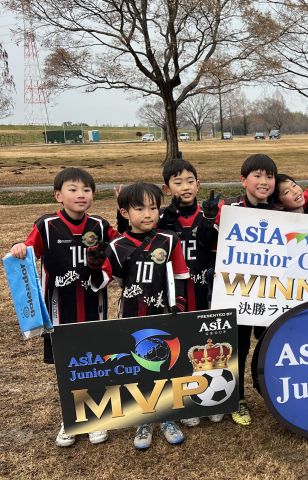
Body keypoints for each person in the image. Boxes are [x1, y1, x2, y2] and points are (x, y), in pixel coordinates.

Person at [10, 167, 117, 448]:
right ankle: (70, 418)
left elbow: (122, 248)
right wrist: (19, 246)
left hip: (95, 311)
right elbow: (27, 249)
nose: (81, 195)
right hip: (59, 314)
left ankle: (96, 417)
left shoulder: (101, 226)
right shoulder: (46, 225)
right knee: (67, 367)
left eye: (86, 190)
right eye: (73, 189)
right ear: (58, 195)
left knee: (95, 363)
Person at [87, 181, 190, 448]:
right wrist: (95, 265)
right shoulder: (118, 245)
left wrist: (179, 303)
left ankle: (167, 416)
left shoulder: (169, 240)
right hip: (132, 316)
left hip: (164, 314)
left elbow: (181, 273)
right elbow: (100, 282)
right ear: (124, 213)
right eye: (140, 208)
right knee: (140, 366)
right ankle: (144, 420)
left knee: (166, 363)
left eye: (154, 208)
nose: (148, 214)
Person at [213, 154, 278, 426]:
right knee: (236, 348)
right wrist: (211, 220)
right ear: (243, 180)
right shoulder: (229, 210)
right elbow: (211, 244)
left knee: (272, 345)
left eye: (270, 176)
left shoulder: (280, 212)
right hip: (238, 293)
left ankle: (271, 391)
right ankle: (236, 398)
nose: (264, 182)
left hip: (274, 294)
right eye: (257, 176)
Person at [157, 158, 223, 427]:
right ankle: (186, 402)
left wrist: (209, 221)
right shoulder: (162, 216)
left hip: (204, 287)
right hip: (177, 291)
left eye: (190, 181)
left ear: (199, 183)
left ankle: (211, 396)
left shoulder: (210, 213)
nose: (185, 187)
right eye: (177, 182)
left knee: (208, 342)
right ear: (167, 187)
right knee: (180, 343)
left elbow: (218, 246)